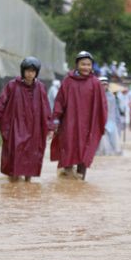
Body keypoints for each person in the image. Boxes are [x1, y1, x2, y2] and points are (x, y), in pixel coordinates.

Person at [0, 57, 52, 182]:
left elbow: (46, 108)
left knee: (32, 156)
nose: (30, 74)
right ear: (23, 71)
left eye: (33, 71)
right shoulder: (12, 85)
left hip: (34, 129)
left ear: (36, 73)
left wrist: (50, 127)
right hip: (15, 127)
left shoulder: (40, 88)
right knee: (14, 154)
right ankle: (13, 183)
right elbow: (1, 101)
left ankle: (27, 184)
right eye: (28, 71)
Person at [50, 51, 107, 180]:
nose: (86, 67)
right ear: (76, 65)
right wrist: (55, 121)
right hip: (69, 125)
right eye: (83, 64)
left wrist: (101, 125)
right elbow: (59, 102)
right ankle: (68, 184)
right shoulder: (68, 81)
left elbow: (102, 106)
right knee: (68, 153)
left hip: (88, 127)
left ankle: (80, 183)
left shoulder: (95, 83)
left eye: (88, 64)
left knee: (84, 156)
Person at [96, 76, 122, 156]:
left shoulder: (112, 96)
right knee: (102, 141)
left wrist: (118, 121)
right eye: (102, 84)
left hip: (111, 121)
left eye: (105, 84)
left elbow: (115, 110)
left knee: (114, 141)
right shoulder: (95, 96)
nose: (104, 86)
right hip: (99, 122)